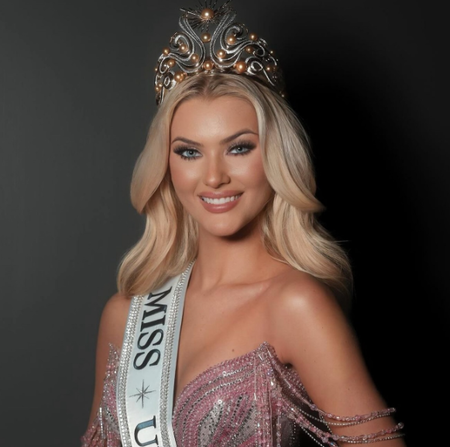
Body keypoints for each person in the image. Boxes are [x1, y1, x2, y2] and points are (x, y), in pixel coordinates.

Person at [81, 2, 406, 446]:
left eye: (239, 148)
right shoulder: (124, 317)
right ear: (166, 166)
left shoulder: (295, 306)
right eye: (189, 152)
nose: (214, 176)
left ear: (275, 155)